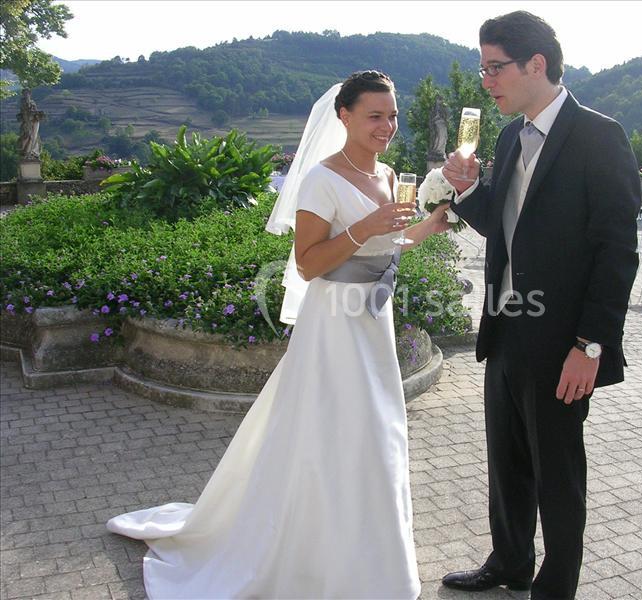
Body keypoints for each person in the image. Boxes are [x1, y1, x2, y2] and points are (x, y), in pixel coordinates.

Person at [106, 71, 451, 599]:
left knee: (376, 435)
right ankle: (307, 557)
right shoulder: (321, 178)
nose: (388, 125)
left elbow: (388, 247)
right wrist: (366, 228)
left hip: (373, 321)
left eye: (393, 115)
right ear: (345, 117)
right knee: (337, 434)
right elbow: (310, 264)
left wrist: (429, 226)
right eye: (375, 115)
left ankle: (369, 561)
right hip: (333, 324)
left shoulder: (386, 175)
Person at [439, 11, 640, 600]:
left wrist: (591, 346)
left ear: (536, 64)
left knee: (558, 476)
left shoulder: (600, 136)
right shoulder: (508, 135)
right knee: (507, 463)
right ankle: (509, 563)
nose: (486, 81)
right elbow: (506, 233)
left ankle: (555, 587)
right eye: (482, 69)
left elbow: (616, 255)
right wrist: (468, 191)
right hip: (506, 328)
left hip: (563, 345)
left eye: (494, 67)